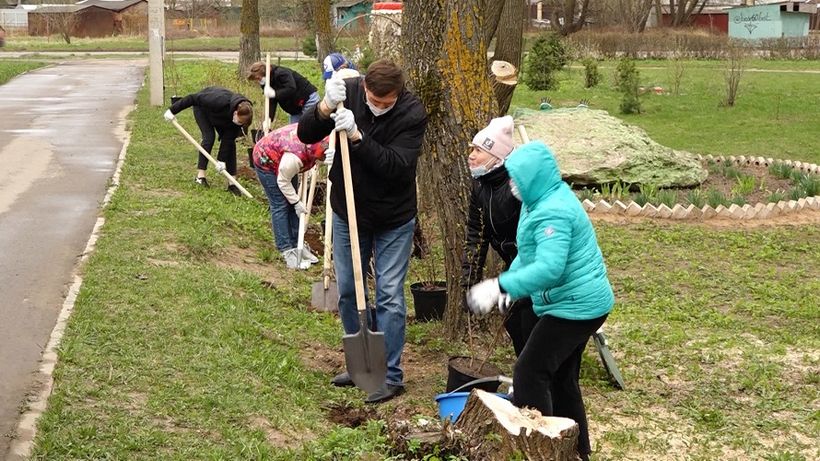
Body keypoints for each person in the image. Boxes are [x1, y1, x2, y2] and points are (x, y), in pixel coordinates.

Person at [466, 141, 615, 461]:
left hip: (577, 307)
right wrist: (511, 289)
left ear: (533, 178)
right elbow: (528, 255)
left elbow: (548, 269)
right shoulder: (536, 201)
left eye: (516, 178)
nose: (511, 184)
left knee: (530, 373)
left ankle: (540, 451)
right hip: (566, 302)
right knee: (561, 379)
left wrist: (499, 284)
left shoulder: (554, 212)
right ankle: (576, 452)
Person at [297, 59, 428, 404]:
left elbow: (396, 168)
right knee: (349, 290)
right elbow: (304, 134)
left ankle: (392, 375)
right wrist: (324, 107)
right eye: (373, 99)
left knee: (388, 295)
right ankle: (360, 366)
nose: (378, 107)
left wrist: (357, 135)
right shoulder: (348, 94)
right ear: (365, 88)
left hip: (394, 218)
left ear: (399, 95)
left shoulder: (412, 113)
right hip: (348, 209)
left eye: (386, 103)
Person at [462, 116, 538, 357]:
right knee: (514, 323)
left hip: (534, 263)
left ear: (498, 157)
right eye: (471, 149)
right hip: (513, 262)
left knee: (526, 320)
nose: (471, 155)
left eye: (478, 150)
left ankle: (535, 376)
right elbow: (477, 234)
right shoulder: (481, 185)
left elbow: (536, 237)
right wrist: (469, 283)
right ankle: (528, 373)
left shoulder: (518, 186)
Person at [252, 123, 328, 270]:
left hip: (282, 155)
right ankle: (286, 249)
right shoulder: (294, 158)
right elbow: (282, 181)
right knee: (280, 204)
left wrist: (294, 201)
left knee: (292, 202)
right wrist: (296, 201)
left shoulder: (319, 135)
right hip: (266, 159)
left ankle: (297, 244)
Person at [164, 86, 253, 195]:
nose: (239, 124)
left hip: (222, 118)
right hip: (203, 110)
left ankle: (232, 183)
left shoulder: (239, 119)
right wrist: (172, 110)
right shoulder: (219, 100)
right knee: (209, 138)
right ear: (235, 113)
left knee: (231, 145)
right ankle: (200, 177)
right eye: (239, 121)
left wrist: (221, 160)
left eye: (241, 123)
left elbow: (228, 139)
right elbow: (193, 98)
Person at [246, 62, 319, 126]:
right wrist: (269, 119)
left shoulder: (281, 73)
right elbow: (272, 101)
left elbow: (291, 88)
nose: (258, 81)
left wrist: (275, 93)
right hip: (294, 108)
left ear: (265, 73)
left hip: (307, 100)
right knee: (294, 132)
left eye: (258, 78)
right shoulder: (266, 83)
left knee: (309, 127)